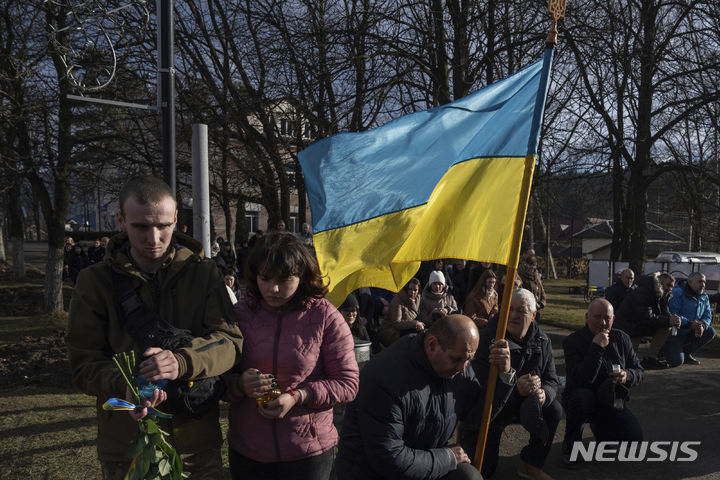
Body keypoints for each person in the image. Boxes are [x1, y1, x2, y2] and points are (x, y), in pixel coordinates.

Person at [66, 175, 244, 480]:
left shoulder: (204, 275)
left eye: (163, 225)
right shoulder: (95, 282)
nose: (154, 238)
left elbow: (229, 342)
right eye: (141, 226)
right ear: (121, 220)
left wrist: (181, 361)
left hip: (195, 442)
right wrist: (125, 385)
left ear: (176, 218)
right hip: (128, 445)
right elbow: (83, 363)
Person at [223, 232, 359, 480]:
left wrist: (299, 396)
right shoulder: (239, 314)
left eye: (285, 279)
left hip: (308, 452)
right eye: (265, 278)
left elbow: (347, 384)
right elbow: (217, 378)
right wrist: (240, 384)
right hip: (249, 450)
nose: (273, 289)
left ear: (302, 276)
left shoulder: (324, 316)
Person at [336, 314, 516, 480]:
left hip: (425, 462)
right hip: (374, 473)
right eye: (456, 359)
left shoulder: (456, 365)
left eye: (468, 359)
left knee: (469, 477)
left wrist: (503, 376)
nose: (463, 368)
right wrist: (446, 457)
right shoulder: (385, 378)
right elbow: (390, 458)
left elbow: (476, 415)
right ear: (432, 345)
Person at [458, 289, 562, 480]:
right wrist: (512, 384)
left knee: (553, 409)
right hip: (493, 407)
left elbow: (552, 380)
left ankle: (531, 464)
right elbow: (476, 387)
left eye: (521, 310)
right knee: (483, 471)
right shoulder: (487, 339)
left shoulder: (543, 340)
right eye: (509, 309)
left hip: (526, 405)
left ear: (533, 316)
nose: (513, 316)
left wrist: (543, 394)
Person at [561, 298, 643, 469]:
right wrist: (596, 348)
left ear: (613, 319)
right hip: (582, 398)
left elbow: (639, 371)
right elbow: (583, 378)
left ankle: (601, 429)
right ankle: (571, 447)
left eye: (607, 318)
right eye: (597, 317)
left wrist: (626, 375)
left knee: (634, 438)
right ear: (587, 316)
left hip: (611, 400)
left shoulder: (622, 338)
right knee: (583, 398)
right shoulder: (573, 342)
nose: (602, 322)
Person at [613, 273, 681, 369]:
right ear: (660, 283)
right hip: (629, 327)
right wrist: (668, 320)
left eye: (672, 286)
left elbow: (664, 312)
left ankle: (651, 358)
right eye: (668, 285)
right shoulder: (643, 291)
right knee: (627, 363)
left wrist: (674, 320)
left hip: (641, 325)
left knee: (667, 326)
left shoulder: (664, 294)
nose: (670, 289)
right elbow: (645, 316)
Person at [666, 272, 717, 366]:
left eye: (704, 282)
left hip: (691, 331)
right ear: (690, 282)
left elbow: (708, 315)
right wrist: (690, 324)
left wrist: (703, 325)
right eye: (700, 281)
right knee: (676, 362)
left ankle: (685, 353)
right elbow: (673, 313)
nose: (703, 285)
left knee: (710, 331)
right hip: (675, 333)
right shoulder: (677, 293)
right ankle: (664, 350)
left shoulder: (704, 296)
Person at [379, 278, 423, 347]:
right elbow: (396, 323)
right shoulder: (398, 300)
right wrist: (415, 324)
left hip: (409, 328)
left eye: (415, 290)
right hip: (393, 333)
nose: (413, 292)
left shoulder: (418, 299)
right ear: (406, 289)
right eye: (410, 289)